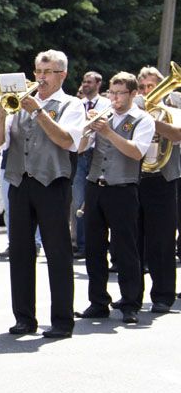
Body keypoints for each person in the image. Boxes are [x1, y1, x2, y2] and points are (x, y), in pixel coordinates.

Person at [0, 50, 84, 338]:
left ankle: (62, 321)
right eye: (38, 72)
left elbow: (67, 140)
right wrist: (4, 111)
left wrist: (38, 111)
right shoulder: (18, 104)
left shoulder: (72, 104)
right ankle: (24, 318)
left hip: (52, 182)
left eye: (48, 72)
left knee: (57, 253)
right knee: (20, 251)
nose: (40, 78)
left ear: (62, 75)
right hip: (20, 181)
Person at [76, 72, 154, 324]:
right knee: (94, 248)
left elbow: (135, 152)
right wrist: (87, 131)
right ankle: (97, 301)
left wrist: (108, 132)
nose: (115, 98)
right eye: (112, 92)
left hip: (123, 188)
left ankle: (131, 303)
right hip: (95, 186)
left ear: (133, 94)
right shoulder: (102, 116)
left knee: (126, 248)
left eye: (120, 93)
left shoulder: (142, 119)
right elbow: (78, 149)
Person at [132, 66, 181, 314]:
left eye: (151, 86)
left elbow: (177, 135)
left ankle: (163, 295)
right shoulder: (134, 110)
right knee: (134, 239)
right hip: (136, 177)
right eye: (142, 87)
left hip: (162, 178)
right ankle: (133, 295)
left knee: (161, 240)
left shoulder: (171, 110)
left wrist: (149, 120)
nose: (146, 91)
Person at [72, 71, 110, 258]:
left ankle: (99, 245)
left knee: (97, 200)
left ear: (98, 84)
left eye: (89, 82)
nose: (85, 85)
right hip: (81, 153)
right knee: (79, 200)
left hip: (98, 154)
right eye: (84, 82)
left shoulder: (106, 104)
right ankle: (82, 245)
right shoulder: (78, 105)